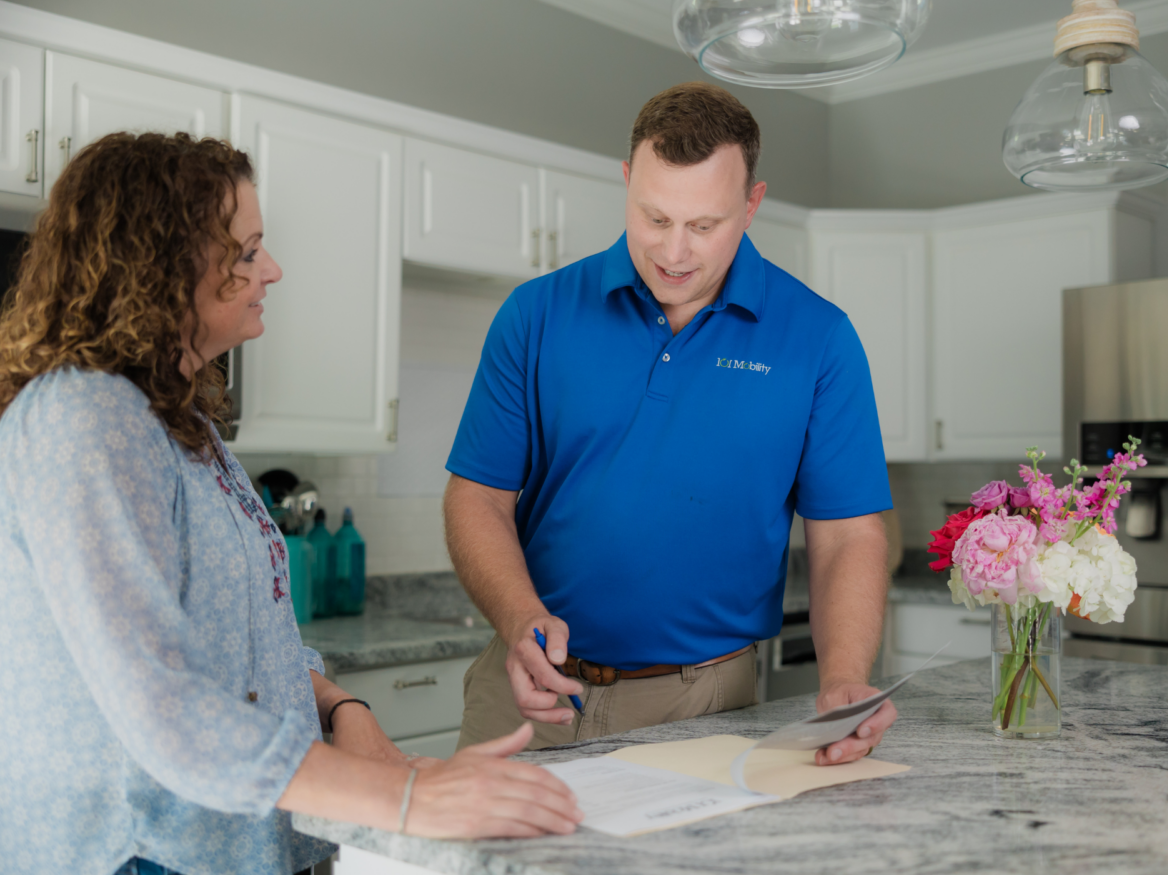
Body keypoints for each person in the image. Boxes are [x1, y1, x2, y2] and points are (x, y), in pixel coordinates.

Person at [0, 132, 582, 875]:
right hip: (140, 851)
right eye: (245, 252)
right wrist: (402, 795)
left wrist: (342, 709)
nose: (270, 270)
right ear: (161, 264)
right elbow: (161, 703)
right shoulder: (84, 419)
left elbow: (238, 642)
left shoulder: (179, 423)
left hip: (229, 844)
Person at [447, 82, 898, 766]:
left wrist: (842, 677)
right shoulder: (534, 315)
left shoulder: (820, 339)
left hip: (704, 705)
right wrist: (519, 620)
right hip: (526, 694)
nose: (675, 252)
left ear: (751, 204)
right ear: (627, 181)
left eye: (704, 225)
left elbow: (846, 534)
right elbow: (477, 496)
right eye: (654, 218)